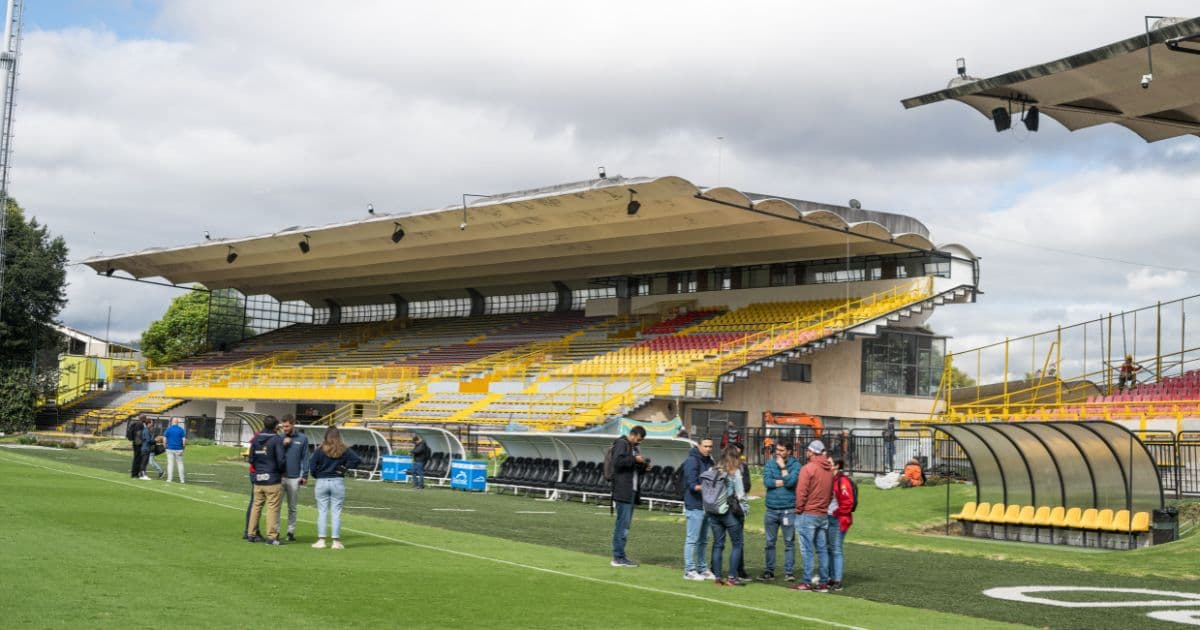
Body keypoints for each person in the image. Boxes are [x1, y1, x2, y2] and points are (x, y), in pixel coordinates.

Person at [309, 425, 362, 550]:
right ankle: (335, 542)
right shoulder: (343, 449)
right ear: (338, 436)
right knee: (336, 512)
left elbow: (312, 466)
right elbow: (356, 460)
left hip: (322, 482)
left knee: (322, 512)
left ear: (325, 436)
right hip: (337, 482)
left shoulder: (320, 449)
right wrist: (342, 469)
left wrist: (317, 475)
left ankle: (321, 540)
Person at [790, 439, 833, 592]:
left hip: (808, 514)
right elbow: (830, 493)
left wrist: (799, 509)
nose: (806, 452)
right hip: (822, 514)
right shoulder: (829, 469)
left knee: (807, 550)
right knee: (822, 549)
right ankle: (823, 582)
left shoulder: (808, 468)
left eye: (808, 450)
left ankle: (807, 581)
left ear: (812, 451)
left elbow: (801, 492)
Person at [609, 425, 649, 568]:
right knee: (622, 526)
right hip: (622, 491)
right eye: (638, 439)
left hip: (631, 492)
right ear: (633, 435)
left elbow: (633, 469)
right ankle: (618, 557)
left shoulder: (633, 448)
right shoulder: (621, 443)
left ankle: (620, 556)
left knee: (625, 525)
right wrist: (634, 459)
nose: (639, 442)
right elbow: (617, 463)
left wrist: (643, 466)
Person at [760, 440, 800, 582]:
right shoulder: (770, 463)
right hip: (771, 509)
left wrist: (783, 468)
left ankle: (789, 572)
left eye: (782, 450)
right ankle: (769, 571)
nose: (778, 453)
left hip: (788, 510)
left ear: (789, 451)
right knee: (770, 542)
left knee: (789, 542)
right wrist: (784, 480)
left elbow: (791, 483)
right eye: (777, 450)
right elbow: (767, 482)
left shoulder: (796, 465)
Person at [708, 449, 747, 586]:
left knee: (718, 545)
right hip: (729, 512)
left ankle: (718, 577)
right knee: (737, 544)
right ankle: (731, 577)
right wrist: (744, 511)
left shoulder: (712, 469)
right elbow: (741, 495)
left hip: (714, 511)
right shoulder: (734, 473)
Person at [247, 416, 287, 545]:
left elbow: (251, 458)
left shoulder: (256, 438)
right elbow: (281, 460)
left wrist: (259, 468)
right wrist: (281, 472)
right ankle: (271, 536)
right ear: (276, 426)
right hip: (273, 478)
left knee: (256, 506)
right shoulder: (276, 439)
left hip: (258, 478)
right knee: (272, 508)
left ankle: (251, 534)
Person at [681, 437, 715, 581]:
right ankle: (689, 570)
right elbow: (692, 485)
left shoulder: (710, 461)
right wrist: (712, 487)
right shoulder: (692, 461)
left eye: (710, 446)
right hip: (694, 504)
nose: (708, 449)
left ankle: (702, 568)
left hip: (707, 505)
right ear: (699, 446)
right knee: (692, 539)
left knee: (704, 539)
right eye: (706, 446)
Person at [280, 416, 310, 542]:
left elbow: (305, 458)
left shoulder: (302, 439)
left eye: (287, 426)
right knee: (276, 506)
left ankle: (290, 532)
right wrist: (283, 445)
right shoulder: (279, 438)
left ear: (293, 425)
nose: (284, 429)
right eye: (283, 426)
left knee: (292, 507)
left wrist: (305, 475)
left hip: (294, 478)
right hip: (279, 477)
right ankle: (274, 532)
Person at [827, 459, 855, 591]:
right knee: (830, 548)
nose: (827, 464)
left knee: (836, 549)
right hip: (829, 517)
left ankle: (837, 580)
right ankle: (831, 577)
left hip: (838, 519)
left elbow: (848, 502)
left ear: (837, 465)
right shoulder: (830, 479)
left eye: (830, 462)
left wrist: (838, 512)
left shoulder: (842, 481)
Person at [732, 443, 751, 580]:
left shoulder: (743, 467)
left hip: (738, 507)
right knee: (719, 541)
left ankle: (740, 570)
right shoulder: (723, 466)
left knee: (739, 541)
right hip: (725, 507)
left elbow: (747, 485)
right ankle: (715, 569)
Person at [163, 417, 187, 483]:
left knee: (170, 464)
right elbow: (184, 440)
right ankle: (182, 479)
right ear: (177, 422)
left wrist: (165, 446)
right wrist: (183, 448)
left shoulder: (168, 429)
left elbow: (164, 439)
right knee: (180, 464)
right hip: (179, 449)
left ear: (171, 422)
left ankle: (169, 479)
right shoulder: (181, 430)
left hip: (170, 448)